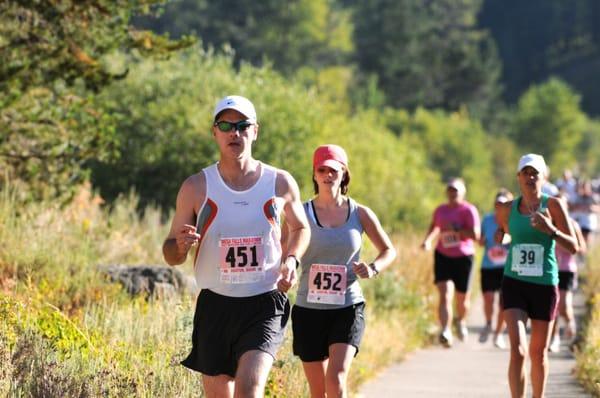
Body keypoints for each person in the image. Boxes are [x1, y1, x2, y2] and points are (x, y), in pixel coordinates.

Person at [162, 95, 311, 398]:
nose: (235, 133)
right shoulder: (196, 187)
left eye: (243, 125)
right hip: (215, 304)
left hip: (264, 302)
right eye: (226, 125)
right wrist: (179, 246)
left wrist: (292, 260)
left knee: (249, 388)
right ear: (214, 132)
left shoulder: (279, 182)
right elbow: (171, 255)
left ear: (255, 131)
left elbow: (300, 227)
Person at [290, 144, 396, 398]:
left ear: (344, 174)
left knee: (335, 379)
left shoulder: (360, 213)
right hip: (308, 309)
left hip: (347, 307)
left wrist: (372, 268)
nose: (328, 175)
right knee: (318, 391)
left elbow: (389, 250)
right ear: (314, 175)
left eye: (334, 171)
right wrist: (286, 269)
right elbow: (284, 252)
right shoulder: (300, 214)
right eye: (322, 170)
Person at [495, 153, 578, 398]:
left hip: (544, 285)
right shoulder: (507, 209)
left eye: (535, 173)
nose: (531, 177)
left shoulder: (553, 205)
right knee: (518, 350)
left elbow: (573, 246)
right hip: (514, 283)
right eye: (526, 173)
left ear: (543, 177)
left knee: (538, 353)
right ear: (518, 177)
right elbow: (505, 232)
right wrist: (503, 237)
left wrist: (550, 230)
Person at [421, 178, 481, 347]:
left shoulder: (469, 210)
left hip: (464, 257)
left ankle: (461, 320)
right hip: (443, 255)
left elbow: (475, 235)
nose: (452, 193)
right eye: (450, 190)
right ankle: (445, 330)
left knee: (462, 299)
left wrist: (456, 229)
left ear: (463, 193)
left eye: (456, 191)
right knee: (445, 294)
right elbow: (434, 226)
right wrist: (427, 241)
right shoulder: (440, 210)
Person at [478, 189, 513, 349]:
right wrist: (482, 240)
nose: (499, 206)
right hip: (488, 265)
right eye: (497, 204)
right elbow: (480, 240)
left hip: (507, 267)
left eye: (503, 204)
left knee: (503, 304)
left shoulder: (513, 220)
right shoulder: (487, 219)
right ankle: (487, 324)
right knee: (488, 298)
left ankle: (498, 334)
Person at [549, 216, 586, 353]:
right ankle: (555, 338)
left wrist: (568, 244)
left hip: (567, 269)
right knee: (553, 306)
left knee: (563, 305)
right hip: (551, 269)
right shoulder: (547, 223)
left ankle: (571, 325)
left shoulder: (572, 225)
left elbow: (582, 248)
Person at [570, 179, 600, 245]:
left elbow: (598, 208)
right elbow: (572, 207)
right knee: (580, 241)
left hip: (589, 224)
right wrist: (579, 207)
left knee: (588, 242)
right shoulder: (578, 197)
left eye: (586, 187)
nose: (584, 189)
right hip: (580, 222)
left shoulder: (593, 197)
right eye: (583, 187)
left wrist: (591, 208)